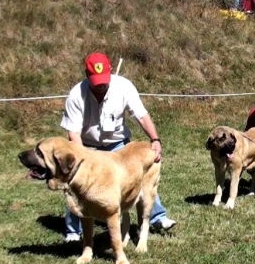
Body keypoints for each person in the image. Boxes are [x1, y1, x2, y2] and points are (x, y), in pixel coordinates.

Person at [60, 52, 176, 242]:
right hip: (88, 147)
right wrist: (85, 160)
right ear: (87, 76)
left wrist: (155, 139)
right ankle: (73, 231)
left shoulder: (124, 86)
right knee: (78, 184)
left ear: (111, 71)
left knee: (138, 178)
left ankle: (157, 218)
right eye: (96, 83)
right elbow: (73, 133)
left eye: (104, 82)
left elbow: (141, 116)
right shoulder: (76, 95)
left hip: (118, 145)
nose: (100, 87)